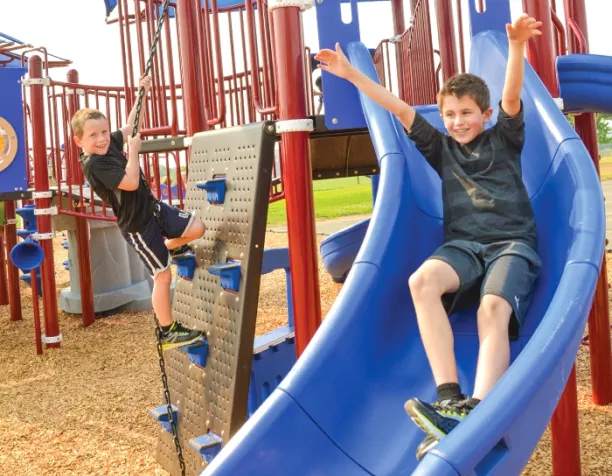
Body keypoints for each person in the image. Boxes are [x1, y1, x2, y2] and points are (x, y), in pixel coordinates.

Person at [315, 14, 543, 459]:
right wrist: (350, 74)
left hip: (511, 243)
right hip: (464, 248)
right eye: (450, 114)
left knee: (492, 309)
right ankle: (450, 398)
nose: (458, 121)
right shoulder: (440, 148)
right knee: (422, 282)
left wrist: (516, 48)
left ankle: (481, 411)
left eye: (467, 113)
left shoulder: (504, 138)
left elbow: (513, 94)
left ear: (486, 114)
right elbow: (396, 106)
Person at [71, 76, 205, 350]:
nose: (101, 139)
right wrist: (133, 153)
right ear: (79, 141)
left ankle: (169, 248)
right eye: (93, 135)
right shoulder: (95, 165)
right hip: (139, 226)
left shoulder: (109, 144)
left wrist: (140, 94)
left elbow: (131, 126)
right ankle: (168, 330)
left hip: (153, 209)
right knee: (162, 276)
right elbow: (130, 182)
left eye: (104, 132)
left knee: (197, 228)